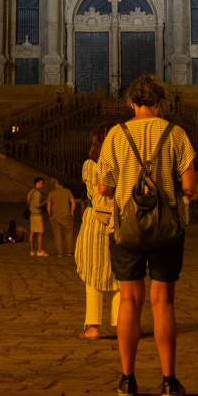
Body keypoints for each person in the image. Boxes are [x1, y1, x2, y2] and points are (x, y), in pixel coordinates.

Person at [97, 74, 196, 396]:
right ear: (159, 103)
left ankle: (127, 380)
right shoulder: (175, 133)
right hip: (167, 229)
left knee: (129, 301)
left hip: (126, 229)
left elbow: (105, 187)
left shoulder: (115, 135)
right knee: (163, 302)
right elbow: (189, 186)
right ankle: (169, 381)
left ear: (131, 103)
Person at [75, 124, 120, 340]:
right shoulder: (122, 165)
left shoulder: (90, 165)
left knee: (93, 276)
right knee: (122, 277)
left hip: (94, 221)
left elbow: (94, 189)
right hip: (119, 221)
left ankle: (93, 327)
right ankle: (122, 324)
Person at [47, 177, 76, 257]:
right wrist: (72, 213)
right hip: (66, 215)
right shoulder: (68, 191)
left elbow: (48, 206)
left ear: (56, 184)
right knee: (68, 233)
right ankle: (69, 251)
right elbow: (73, 202)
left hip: (55, 216)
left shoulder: (51, 193)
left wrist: (50, 215)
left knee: (57, 234)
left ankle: (60, 252)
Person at [27, 177, 48, 257]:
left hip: (32, 214)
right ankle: (39, 250)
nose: (42, 185)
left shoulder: (30, 192)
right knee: (40, 233)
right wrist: (45, 202)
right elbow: (37, 205)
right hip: (37, 215)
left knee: (32, 233)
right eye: (41, 183)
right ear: (38, 183)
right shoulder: (37, 193)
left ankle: (32, 251)